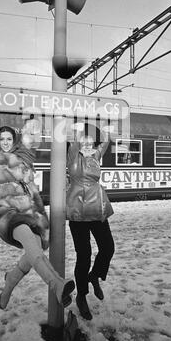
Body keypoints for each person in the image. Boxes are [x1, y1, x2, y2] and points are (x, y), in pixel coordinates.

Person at [0, 114, 75, 310]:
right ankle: (56, 284)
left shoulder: (24, 158)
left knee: (36, 247)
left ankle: (10, 281)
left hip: (29, 212)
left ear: (14, 140)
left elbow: (32, 136)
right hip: (4, 212)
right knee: (29, 240)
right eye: (1, 139)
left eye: (9, 139)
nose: (5, 142)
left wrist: (32, 116)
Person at [66, 126, 115, 320]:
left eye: (90, 141)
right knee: (83, 255)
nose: (87, 144)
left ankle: (94, 275)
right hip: (78, 211)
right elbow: (76, 139)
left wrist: (103, 123)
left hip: (97, 209)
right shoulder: (72, 155)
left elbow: (106, 139)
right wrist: (80, 126)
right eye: (83, 141)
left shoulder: (96, 155)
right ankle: (82, 296)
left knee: (108, 248)